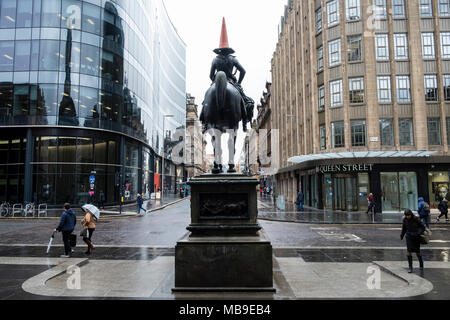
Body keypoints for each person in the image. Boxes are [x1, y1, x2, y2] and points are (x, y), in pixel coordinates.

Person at [400, 209, 426, 273]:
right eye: (406, 215)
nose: (407, 217)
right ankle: (410, 267)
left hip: (416, 237)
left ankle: (421, 263)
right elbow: (404, 228)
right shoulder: (405, 220)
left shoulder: (416, 219)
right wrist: (402, 235)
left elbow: (423, 227)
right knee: (409, 252)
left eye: (408, 215)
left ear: (411, 214)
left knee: (417, 252)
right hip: (409, 237)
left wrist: (418, 233)